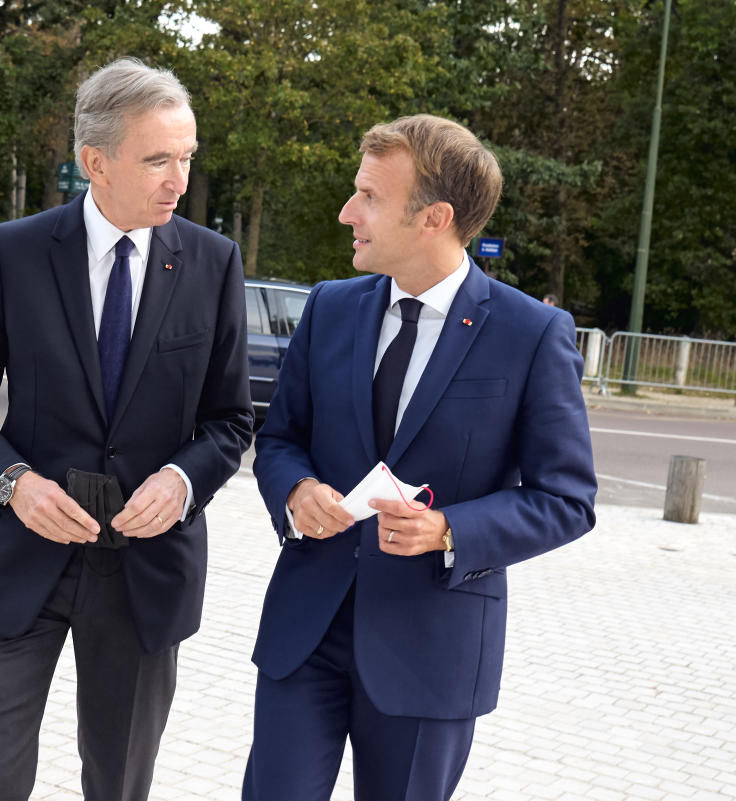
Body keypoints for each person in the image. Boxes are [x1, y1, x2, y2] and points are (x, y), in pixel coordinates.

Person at [243, 114, 597, 801]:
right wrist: (295, 491)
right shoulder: (329, 308)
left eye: (370, 197)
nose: (348, 211)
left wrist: (450, 529)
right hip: (304, 630)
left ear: (434, 217)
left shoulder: (532, 333)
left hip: (431, 645)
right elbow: (280, 438)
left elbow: (567, 498)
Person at [0, 58, 254, 801]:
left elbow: (230, 420)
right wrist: (13, 484)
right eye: (158, 159)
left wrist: (181, 481)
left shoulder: (213, 263)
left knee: (119, 782)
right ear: (94, 163)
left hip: (145, 570)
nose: (179, 178)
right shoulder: (15, 251)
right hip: (22, 559)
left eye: (187, 157)